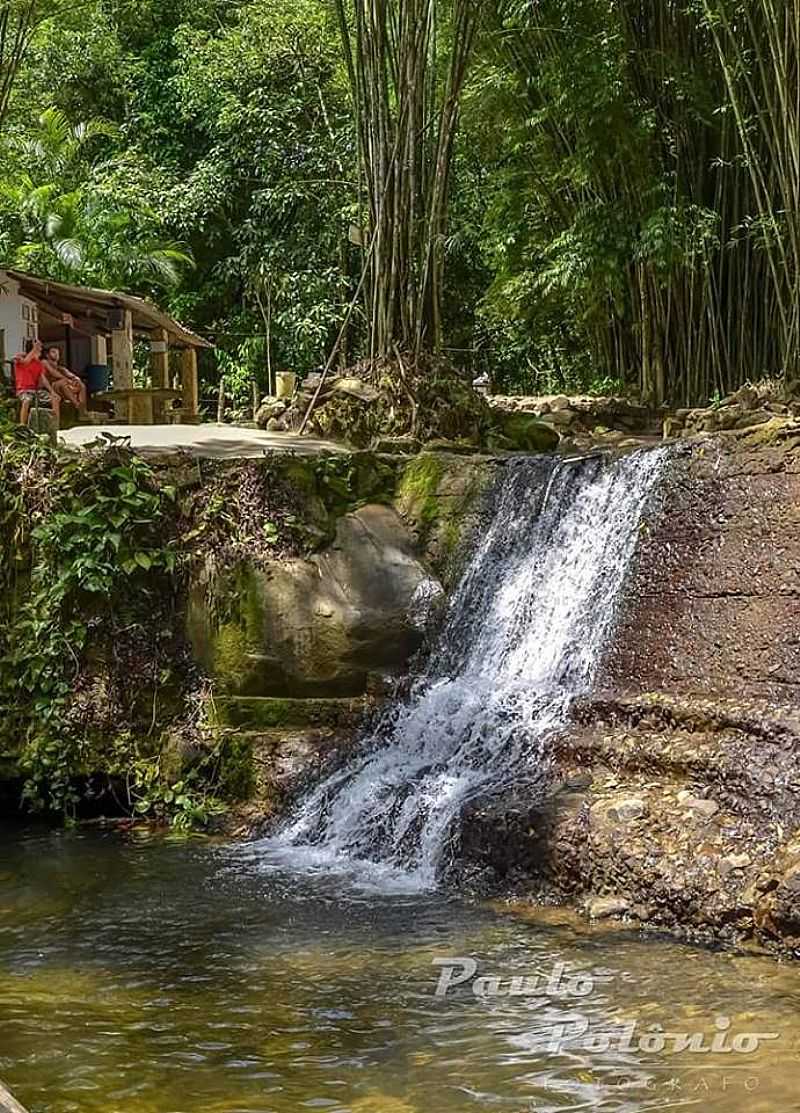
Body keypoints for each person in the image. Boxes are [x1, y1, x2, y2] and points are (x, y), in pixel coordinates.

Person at [13, 339, 60, 426]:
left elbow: (43, 379)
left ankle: (55, 425)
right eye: (39, 348)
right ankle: (22, 426)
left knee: (55, 399)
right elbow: (25, 362)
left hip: (35, 391)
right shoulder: (19, 358)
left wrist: (52, 392)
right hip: (23, 390)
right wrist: (35, 348)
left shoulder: (38, 363)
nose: (40, 350)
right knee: (27, 400)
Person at [42, 345, 88, 416]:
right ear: (47, 355)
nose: (56, 354)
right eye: (53, 352)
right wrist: (67, 380)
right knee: (62, 382)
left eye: (58, 353)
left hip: (63, 389)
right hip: (50, 389)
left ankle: (82, 409)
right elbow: (54, 373)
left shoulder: (61, 368)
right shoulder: (44, 362)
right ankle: (77, 405)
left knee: (81, 385)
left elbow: (70, 374)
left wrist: (76, 379)